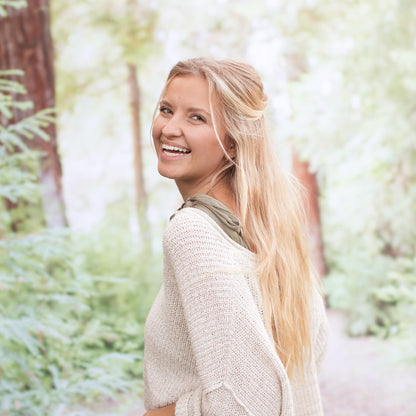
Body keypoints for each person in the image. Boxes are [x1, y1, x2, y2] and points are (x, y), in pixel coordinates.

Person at [143, 57, 328, 416]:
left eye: (196, 117)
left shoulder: (193, 231)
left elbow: (246, 400)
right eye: (166, 110)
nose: (169, 128)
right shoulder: (271, 231)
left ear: (233, 141)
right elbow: (308, 357)